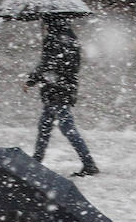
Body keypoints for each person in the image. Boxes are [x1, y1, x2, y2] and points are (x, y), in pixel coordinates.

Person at [26, 16, 99, 177]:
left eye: (46, 21)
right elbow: (70, 66)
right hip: (65, 88)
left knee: (65, 128)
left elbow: (48, 64)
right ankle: (37, 160)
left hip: (56, 89)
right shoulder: (71, 39)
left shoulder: (53, 39)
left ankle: (89, 163)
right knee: (45, 125)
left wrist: (32, 80)